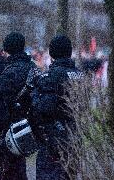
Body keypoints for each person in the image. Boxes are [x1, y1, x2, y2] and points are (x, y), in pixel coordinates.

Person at [30, 35, 84, 180]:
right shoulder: (80, 75)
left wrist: (35, 98)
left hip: (53, 139)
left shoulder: (50, 76)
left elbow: (44, 108)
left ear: (52, 53)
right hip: (74, 136)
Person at [0, 32, 41, 180]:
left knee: (10, 168)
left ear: (7, 49)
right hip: (30, 126)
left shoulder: (8, 72)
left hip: (10, 128)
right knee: (18, 167)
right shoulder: (33, 68)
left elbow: (0, 102)